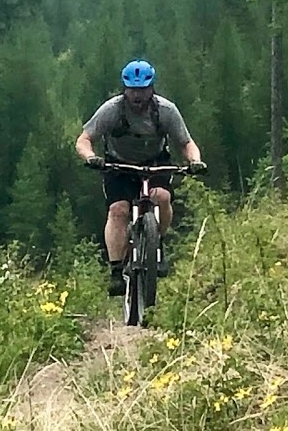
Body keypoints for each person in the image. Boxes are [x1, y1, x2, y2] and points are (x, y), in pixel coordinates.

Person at [75, 59, 203, 296]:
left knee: (162, 197)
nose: (137, 95)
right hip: (118, 165)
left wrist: (194, 161)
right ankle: (116, 271)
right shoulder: (111, 110)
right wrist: (90, 157)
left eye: (142, 89)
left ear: (152, 88)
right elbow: (83, 140)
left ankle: (157, 244)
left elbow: (185, 143)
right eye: (132, 89)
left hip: (155, 164)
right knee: (118, 211)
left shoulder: (166, 110)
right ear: (124, 88)